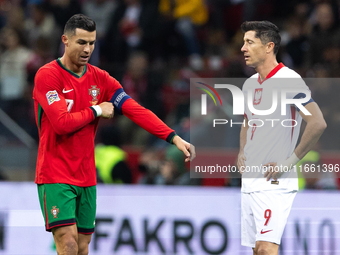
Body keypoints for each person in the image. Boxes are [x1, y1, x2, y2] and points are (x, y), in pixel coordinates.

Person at [33, 14, 195, 255]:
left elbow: (135, 110)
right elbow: (61, 124)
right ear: (65, 40)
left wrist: (173, 136)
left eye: (92, 42)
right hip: (55, 173)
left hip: (86, 176)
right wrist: (97, 109)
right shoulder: (48, 76)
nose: (87, 49)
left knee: (82, 248)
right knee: (67, 242)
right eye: (81, 42)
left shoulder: (101, 79)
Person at [237, 21, 326, 255]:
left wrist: (288, 163)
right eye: (243, 42)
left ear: (269, 47)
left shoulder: (288, 80)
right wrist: (241, 152)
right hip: (251, 179)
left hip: (274, 180)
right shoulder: (249, 84)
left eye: (249, 42)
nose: (243, 48)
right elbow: (248, 121)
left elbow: (317, 122)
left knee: (267, 248)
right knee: (258, 249)